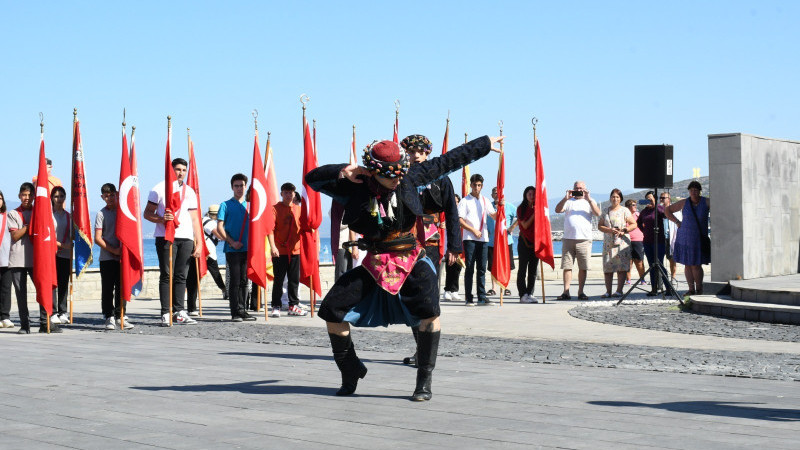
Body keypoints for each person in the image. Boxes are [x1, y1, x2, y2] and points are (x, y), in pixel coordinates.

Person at [306, 135, 501, 401]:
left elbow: (449, 160)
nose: (398, 180)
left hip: (411, 258)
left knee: (430, 312)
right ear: (375, 172)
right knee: (331, 310)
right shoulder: (355, 186)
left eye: (400, 175)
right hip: (375, 262)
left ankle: (424, 381)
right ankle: (350, 370)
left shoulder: (410, 177)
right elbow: (312, 179)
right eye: (391, 177)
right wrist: (343, 169)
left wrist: (484, 143)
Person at [400, 134, 462, 367]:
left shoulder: (442, 178)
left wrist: (455, 246)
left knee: (427, 296)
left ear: (427, 153)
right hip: (405, 243)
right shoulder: (402, 176)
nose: (415, 155)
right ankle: (419, 348)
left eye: (419, 151)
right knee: (409, 298)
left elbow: (452, 213)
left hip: (431, 245)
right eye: (411, 152)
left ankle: (426, 352)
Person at [143, 158, 202, 326]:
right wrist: (161, 219)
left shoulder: (190, 191)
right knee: (167, 274)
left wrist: (199, 243)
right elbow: (147, 213)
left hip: (186, 237)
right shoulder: (159, 189)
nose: (181, 172)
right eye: (177, 169)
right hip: (166, 237)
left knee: (181, 275)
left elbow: (195, 219)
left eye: (184, 169)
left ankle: (179, 311)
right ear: (171, 169)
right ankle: (165, 312)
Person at [8, 183, 60, 333]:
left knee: (43, 289)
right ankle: (25, 325)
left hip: (37, 259)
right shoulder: (13, 213)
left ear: (34, 197)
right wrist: (30, 225)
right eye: (24, 195)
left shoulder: (40, 213)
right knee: (21, 294)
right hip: (18, 259)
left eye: (30, 195)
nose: (27, 198)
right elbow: (15, 235)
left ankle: (45, 323)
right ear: (19, 196)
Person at [215, 174, 257, 322]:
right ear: (232, 187)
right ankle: (235, 312)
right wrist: (231, 242)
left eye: (242, 185)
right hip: (232, 250)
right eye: (236, 186)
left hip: (248, 249)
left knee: (245, 280)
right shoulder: (225, 205)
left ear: (246, 187)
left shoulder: (251, 206)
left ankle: (243, 309)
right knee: (235, 280)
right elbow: (219, 227)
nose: (239, 188)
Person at [554, 181, 601, 300]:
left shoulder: (590, 201)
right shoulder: (568, 201)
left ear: (585, 189)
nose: (578, 189)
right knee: (567, 266)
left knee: (583, 267)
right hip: (568, 239)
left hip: (584, 239)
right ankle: (566, 291)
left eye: (581, 188)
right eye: (576, 188)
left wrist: (589, 199)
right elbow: (557, 210)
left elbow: (597, 213)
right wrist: (565, 198)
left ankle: (581, 292)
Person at [94, 183, 132, 330]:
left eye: (111, 195)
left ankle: (120, 315)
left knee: (122, 288)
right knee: (108, 288)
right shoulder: (100, 214)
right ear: (102, 197)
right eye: (106, 196)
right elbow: (98, 238)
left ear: (116, 194)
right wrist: (113, 250)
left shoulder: (123, 212)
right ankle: (109, 316)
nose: (109, 198)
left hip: (123, 258)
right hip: (107, 258)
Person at [267, 182, 307, 318]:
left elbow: (306, 227)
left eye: (291, 192)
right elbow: (270, 230)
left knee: (294, 280)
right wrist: (273, 247)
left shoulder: (299, 209)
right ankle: (276, 306)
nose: (289, 195)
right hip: (280, 250)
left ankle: (293, 305)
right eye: (286, 192)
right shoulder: (275, 209)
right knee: (278, 279)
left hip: (295, 250)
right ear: (281, 194)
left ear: (294, 194)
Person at [458, 174, 497, 305]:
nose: (476, 188)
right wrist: (473, 230)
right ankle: (468, 297)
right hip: (469, 238)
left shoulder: (485, 200)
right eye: (474, 185)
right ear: (471, 185)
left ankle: (481, 296)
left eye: (479, 185)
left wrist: (500, 206)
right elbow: (460, 220)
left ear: (482, 186)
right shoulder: (465, 201)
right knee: (469, 268)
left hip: (484, 239)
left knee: (481, 268)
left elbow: (494, 216)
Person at [666, 181, 710, 295]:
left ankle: (699, 289)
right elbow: (667, 210)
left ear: (700, 191)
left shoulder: (706, 202)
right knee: (687, 265)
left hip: (699, 238)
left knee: (696, 265)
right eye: (691, 190)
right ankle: (691, 289)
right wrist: (677, 222)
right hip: (684, 237)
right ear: (689, 191)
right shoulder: (684, 203)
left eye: (696, 190)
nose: (694, 192)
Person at [186, 204, 227, 317]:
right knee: (215, 274)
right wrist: (227, 238)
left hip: (196, 250)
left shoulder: (200, 220)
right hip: (207, 253)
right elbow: (218, 234)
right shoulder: (210, 222)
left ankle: (191, 306)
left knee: (193, 279)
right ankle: (224, 290)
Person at [597, 189, 635, 298]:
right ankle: (608, 291)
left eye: (617, 197)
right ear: (610, 198)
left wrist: (624, 230)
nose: (615, 199)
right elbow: (600, 226)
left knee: (621, 268)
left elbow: (634, 224)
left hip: (622, 243)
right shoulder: (605, 211)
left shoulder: (625, 211)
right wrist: (609, 230)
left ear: (621, 198)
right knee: (608, 267)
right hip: (609, 242)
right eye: (613, 197)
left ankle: (619, 290)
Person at [637, 191, 669, 296]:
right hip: (647, 241)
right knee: (651, 265)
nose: (649, 201)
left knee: (659, 263)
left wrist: (657, 206)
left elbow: (666, 215)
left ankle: (668, 288)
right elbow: (638, 223)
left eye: (650, 199)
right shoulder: (644, 211)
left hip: (659, 241)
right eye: (647, 199)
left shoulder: (659, 209)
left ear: (655, 199)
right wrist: (645, 231)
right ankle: (654, 289)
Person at [487, 186, 517, 297]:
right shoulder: (488, 207)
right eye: (495, 193)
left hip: (506, 241)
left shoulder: (509, 206)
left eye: (499, 193)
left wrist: (512, 227)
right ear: (492, 195)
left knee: (507, 265)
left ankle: (506, 287)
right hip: (491, 241)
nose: (497, 195)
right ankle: (493, 288)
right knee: (492, 266)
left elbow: (520, 216)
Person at [51, 186, 72, 324]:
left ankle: (63, 311)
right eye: (56, 196)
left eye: (62, 196)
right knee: (52, 283)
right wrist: (62, 245)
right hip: (51, 254)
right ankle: (52, 311)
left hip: (65, 255)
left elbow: (73, 235)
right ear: (52, 198)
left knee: (64, 283)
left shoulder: (68, 216)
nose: (59, 199)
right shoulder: (48, 215)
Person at [515, 186, 539, 303]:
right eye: (529, 193)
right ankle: (522, 294)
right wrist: (535, 214)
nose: (531, 196)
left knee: (533, 270)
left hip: (536, 242)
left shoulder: (539, 208)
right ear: (525, 195)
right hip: (524, 242)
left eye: (534, 194)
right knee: (522, 269)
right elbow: (524, 225)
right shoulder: (521, 208)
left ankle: (530, 293)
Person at [442, 194, 463, 302]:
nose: (455, 203)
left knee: (457, 268)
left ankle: (454, 290)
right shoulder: (446, 212)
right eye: (453, 201)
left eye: (457, 201)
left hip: (459, 243)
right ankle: (447, 290)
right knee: (449, 267)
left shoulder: (461, 212)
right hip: (447, 244)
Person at [331, 199, 358, 282]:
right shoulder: (338, 202)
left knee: (350, 272)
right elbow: (338, 224)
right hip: (342, 242)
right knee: (341, 272)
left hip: (353, 242)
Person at [0, 190, 14, 328]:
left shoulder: (8, 216)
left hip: (6, 259)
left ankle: (5, 316)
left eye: (0, 198)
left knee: (6, 289)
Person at [625, 199, 646, 285]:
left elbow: (644, 226)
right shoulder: (624, 216)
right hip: (626, 240)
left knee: (639, 261)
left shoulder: (638, 215)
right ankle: (628, 280)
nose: (635, 206)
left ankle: (642, 279)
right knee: (628, 261)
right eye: (633, 205)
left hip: (638, 240)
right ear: (627, 207)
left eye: (635, 204)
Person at [661, 193, 679, 283]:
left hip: (671, 237)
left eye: (664, 198)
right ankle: (661, 279)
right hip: (661, 237)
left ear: (669, 198)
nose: (662, 199)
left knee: (671, 259)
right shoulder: (659, 210)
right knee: (660, 259)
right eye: (661, 198)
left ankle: (673, 277)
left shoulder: (675, 210)